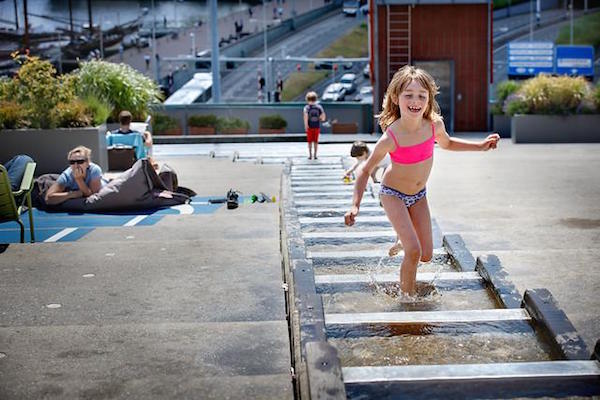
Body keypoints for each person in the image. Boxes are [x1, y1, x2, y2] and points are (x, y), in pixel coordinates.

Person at [344, 65, 499, 296]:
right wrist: (355, 205)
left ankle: (401, 241)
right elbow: (364, 171)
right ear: (396, 98)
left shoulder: (434, 125)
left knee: (426, 254)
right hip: (392, 194)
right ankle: (407, 300)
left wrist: (480, 146)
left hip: (419, 195)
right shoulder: (391, 137)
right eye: (409, 95)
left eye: (421, 96)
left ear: (428, 99)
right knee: (414, 251)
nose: (415, 100)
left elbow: (448, 144)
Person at [303, 91, 326, 160]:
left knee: (309, 142)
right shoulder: (319, 107)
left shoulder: (306, 108)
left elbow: (305, 117)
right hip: (316, 126)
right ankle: (315, 155)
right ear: (315, 99)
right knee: (316, 141)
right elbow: (323, 117)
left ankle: (310, 155)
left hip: (310, 127)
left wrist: (306, 126)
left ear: (307, 99)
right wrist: (320, 119)